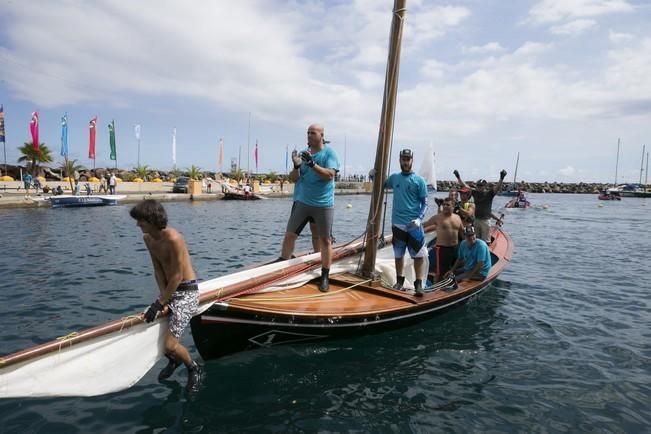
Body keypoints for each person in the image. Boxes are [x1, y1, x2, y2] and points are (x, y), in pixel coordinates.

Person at [129, 199, 204, 392]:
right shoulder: (148, 238)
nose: (138, 224)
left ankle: (193, 368)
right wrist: (162, 299)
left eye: (141, 221)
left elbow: (178, 276)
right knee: (153, 330)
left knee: (170, 345)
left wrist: (160, 302)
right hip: (169, 292)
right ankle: (174, 360)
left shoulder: (174, 238)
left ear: (152, 220)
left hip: (187, 292)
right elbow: (158, 269)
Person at [279, 123, 339, 292]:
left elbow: (330, 175)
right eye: (308, 133)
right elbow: (293, 179)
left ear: (322, 135)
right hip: (302, 202)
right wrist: (297, 166)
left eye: (313, 133)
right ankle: (282, 266)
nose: (309, 136)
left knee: (325, 240)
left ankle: (325, 275)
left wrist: (313, 164)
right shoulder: (304, 153)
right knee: (289, 235)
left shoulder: (329, 153)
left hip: (323, 204)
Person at [385, 148, 428, 296]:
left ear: (412, 161)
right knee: (398, 254)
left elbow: (425, 203)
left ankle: (419, 284)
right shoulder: (394, 178)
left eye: (408, 159)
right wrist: (373, 175)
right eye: (403, 159)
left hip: (414, 224)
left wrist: (419, 218)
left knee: (419, 255)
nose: (405, 162)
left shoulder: (419, 180)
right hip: (397, 223)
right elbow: (382, 184)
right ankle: (399, 281)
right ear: (399, 160)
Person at [453, 169, 506, 244]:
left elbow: (497, 187)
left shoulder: (489, 194)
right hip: (476, 220)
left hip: (485, 221)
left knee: (485, 241)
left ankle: (487, 253)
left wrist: (501, 178)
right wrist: (458, 177)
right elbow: (464, 185)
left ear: (485, 186)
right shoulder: (475, 193)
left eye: (481, 185)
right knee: (476, 240)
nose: (479, 187)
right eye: (478, 185)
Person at [423, 197, 464, 284]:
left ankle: (451, 286)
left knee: (454, 269)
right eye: (444, 204)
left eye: (447, 205)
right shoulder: (437, 217)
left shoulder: (457, 218)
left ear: (453, 206)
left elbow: (462, 233)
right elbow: (424, 225)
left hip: (455, 248)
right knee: (439, 273)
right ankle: (434, 291)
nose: (445, 206)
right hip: (442, 249)